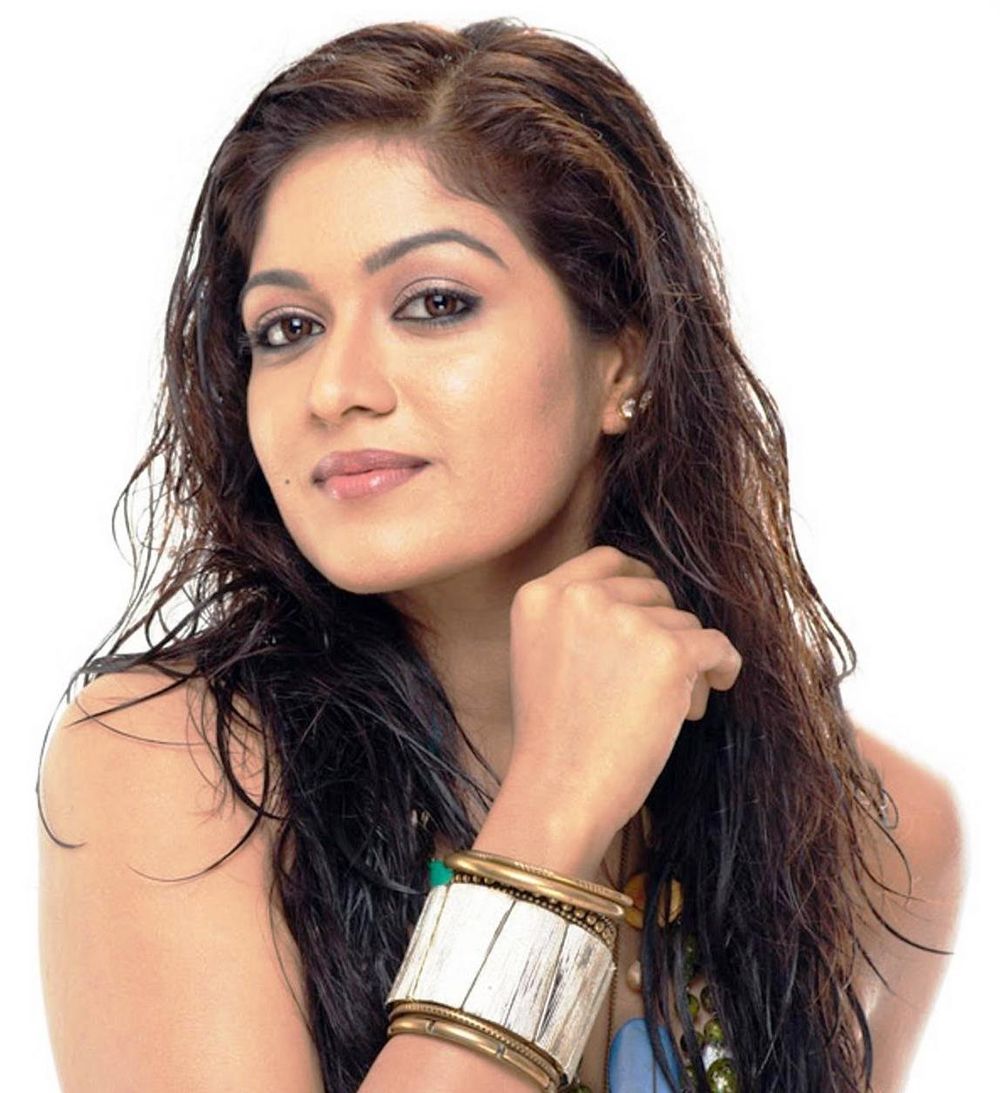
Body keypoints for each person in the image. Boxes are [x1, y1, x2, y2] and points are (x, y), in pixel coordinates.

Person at [35, 16, 966, 1093]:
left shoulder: (872, 834)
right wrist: (552, 812)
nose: (335, 388)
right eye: (287, 327)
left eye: (435, 304)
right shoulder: (180, 766)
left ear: (625, 358)